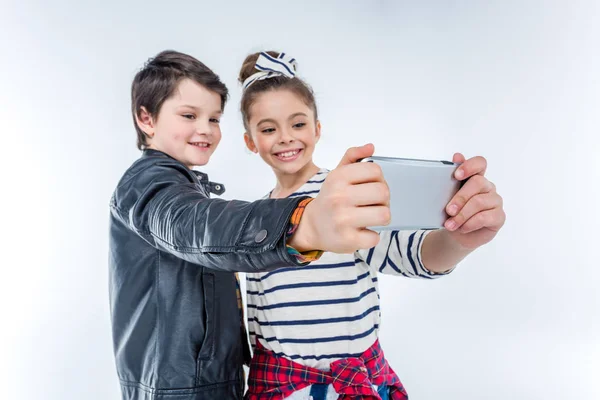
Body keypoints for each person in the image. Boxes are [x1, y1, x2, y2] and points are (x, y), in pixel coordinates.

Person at [109, 50, 391, 400]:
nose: (205, 129)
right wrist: (302, 224)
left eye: (213, 118)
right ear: (146, 119)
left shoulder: (185, 187)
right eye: (188, 115)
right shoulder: (147, 186)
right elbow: (192, 225)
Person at [237, 51, 506, 400]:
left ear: (317, 130)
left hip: (350, 387)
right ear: (250, 142)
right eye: (268, 129)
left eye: (298, 123)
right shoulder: (254, 217)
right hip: (281, 388)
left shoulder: (341, 195)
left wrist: (459, 240)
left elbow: (407, 253)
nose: (286, 137)